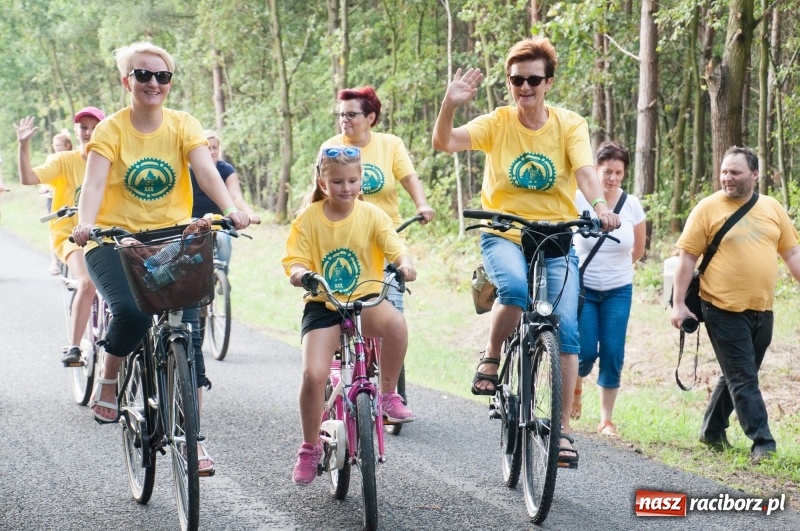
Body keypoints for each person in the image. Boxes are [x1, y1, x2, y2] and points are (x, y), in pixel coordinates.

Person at [431, 36, 619, 467]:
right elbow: (445, 142)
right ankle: (493, 357)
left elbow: (587, 174)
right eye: (517, 80)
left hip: (556, 234)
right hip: (505, 231)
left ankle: (563, 434)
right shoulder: (497, 123)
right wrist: (449, 104)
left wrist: (602, 207)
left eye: (534, 79)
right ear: (509, 82)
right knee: (514, 288)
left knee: (567, 332)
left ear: (548, 82)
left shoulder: (569, 124)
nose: (525, 87)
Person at [71, 42, 250, 475]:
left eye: (162, 76)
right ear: (126, 81)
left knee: (188, 337)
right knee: (130, 312)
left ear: (169, 82)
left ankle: (194, 440)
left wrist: (231, 210)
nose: (153, 83)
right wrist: (85, 224)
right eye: (143, 75)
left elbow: (206, 171)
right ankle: (110, 379)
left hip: (173, 239)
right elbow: (93, 185)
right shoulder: (110, 130)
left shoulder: (184, 124)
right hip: (116, 240)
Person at [282, 146, 416, 485]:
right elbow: (294, 260)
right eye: (338, 181)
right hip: (324, 304)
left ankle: (387, 393)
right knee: (313, 375)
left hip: (364, 300)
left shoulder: (371, 215)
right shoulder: (308, 218)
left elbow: (394, 247)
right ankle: (309, 447)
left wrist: (405, 264)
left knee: (397, 326)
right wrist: (300, 273)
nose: (346, 188)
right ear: (323, 183)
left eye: (353, 180)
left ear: (362, 181)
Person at [670, 146, 800, 464]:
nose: (727, 177)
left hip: (762, 308)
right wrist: (678, 304)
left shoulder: (772, 208)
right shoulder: (707, 208)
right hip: (721, 306)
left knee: (739, 373)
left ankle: (712, 430)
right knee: (743, 376)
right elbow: (686, 258)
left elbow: (792, 255)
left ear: (754, 175)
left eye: (735, 172)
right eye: (724, 171)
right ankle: (763, 442)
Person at [322, 86, 434, 311]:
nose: (344, 120)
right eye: (341, 114)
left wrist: (421, 204)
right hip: (345, 237)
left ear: (370, 117)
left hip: (386, 235)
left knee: (392, 308)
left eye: (351, 114)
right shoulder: (331, 148)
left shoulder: (390, 144)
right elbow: (320, 191)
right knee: (339, 308)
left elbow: (408, 177)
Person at [14, 107, 106, 366]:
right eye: (82, 127)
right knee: (87, 282)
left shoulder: (113, 158)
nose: (87, 132)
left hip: (106, 233)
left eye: (93, 127)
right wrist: (24, 145)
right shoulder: (65, 160)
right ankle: (74, 347)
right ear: (76, 131)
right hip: (70, 235)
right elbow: (28, 178)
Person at [572, 141, 646, 437]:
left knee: (613, 353)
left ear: (624, 173)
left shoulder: (632, 205)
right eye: (606, 171)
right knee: (586, 351)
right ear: (596, 170)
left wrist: (615, 269)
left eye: (618, 172)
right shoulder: (579, 198)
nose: (612, 178)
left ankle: (605, 419)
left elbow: (638, 249)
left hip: (618, 289)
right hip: (584, 288)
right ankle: (576, 382)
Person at [190, 129, 260, 274]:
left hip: (220, 220)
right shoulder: (188, 171)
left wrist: (249, 214)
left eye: (215, 147)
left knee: (224, 240)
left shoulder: (226, 170)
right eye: (207, 148)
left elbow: (235, 196)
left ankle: (221, 273)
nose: (212, 151)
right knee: (192, 244)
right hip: (194, 219)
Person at [44, 129, 76, 274]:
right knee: (55, 229)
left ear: (68, 145)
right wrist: (44, 189)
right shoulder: (51, 158)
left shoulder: (74, 158)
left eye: (59, 145)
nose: (56, 148)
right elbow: (45, 177)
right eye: (54, 145)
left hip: (72, 200)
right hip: (54, 199)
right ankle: (54, 261)